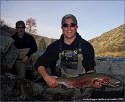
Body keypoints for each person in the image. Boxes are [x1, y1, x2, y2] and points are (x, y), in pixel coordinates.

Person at [35, 14, 102, 100]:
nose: (69, 28)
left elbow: (90, 69)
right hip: (61, 83)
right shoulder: (54, 46)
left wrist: (93, 81)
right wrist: (46, 77)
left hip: (83, 84)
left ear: (76, 27)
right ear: (62, 28)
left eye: (72, 25)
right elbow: (40, 64)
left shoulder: (86, 46)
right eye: (65, 25)